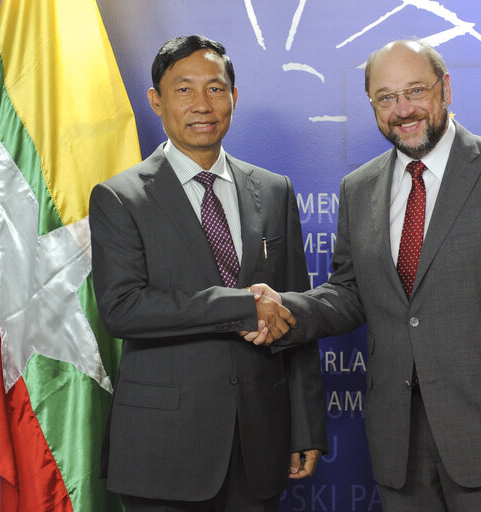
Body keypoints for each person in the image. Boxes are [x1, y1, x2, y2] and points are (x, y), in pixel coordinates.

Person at [247, 40, 481, 511]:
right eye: (386, 98)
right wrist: (287, 309)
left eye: (415, 91)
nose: (402, 110)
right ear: (371, 105)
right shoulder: (358, 187)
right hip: (399, 442)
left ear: (445, 88)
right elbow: (349, 294)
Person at [89, 35, 326, 512]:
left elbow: (295, 312)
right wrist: (240, 306)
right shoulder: (120, 197)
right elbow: (122, 309)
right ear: (155, 100)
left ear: (234, 98)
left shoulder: (274, 190)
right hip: (162, 449)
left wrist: (304, 425)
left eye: (216, 89)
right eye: (183, 89)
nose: (202, 104)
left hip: (259, 442)